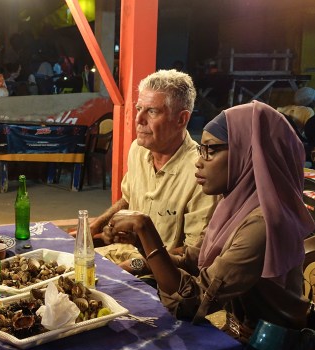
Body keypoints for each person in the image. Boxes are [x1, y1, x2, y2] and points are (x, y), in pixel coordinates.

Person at [109, 101, 314, 350]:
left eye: (210, 150)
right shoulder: (238, 206)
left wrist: (148, 235)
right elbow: (196, 258)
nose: (198, 164)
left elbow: (190, 303)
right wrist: (143, 253)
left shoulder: (263, 224)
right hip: (234, 337)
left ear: (249, 153)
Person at [74, 70, 218, 282]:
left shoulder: (200, 173)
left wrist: (134, 265)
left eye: (152, 112)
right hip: (122, 254)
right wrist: (94, 227)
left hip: (161, 274)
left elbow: (192, 255)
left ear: (181, 119)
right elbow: (128, 198)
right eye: (139, 108)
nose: (138, 119)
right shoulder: (138, 150)